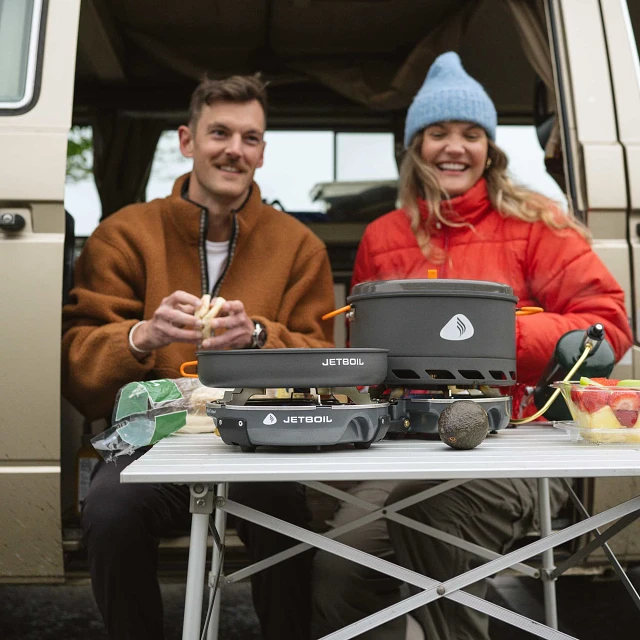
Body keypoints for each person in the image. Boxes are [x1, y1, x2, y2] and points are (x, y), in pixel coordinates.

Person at [312, 52, 633, 640]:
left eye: (470, 134)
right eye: (438, 133)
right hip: (406, 441)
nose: (454, 147)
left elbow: (607, 325)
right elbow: (366, 353)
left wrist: (495, 342)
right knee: (341, 565)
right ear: (415, 146)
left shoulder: (539, 222)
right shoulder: (383, 236)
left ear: (491, 148)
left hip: (522, 438)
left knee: (431, 518)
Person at [61, 74, 335, 640]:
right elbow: (77, 367)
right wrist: (142, 335)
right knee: (109, 512)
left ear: (262, 151)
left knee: (289, 519)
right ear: (187, 141)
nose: (235, 149)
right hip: (153, 438)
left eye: (250, 137)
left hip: (264, 440)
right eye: (219, 133)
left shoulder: (299, 246)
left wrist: (261, 335)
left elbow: (327, 365)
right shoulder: (123, 233)